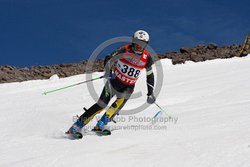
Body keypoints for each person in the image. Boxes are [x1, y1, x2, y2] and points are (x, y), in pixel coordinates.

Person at [66, 30, 156, 136]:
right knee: (101, 105)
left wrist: (150, 93)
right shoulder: (124, 49)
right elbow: (109, 58)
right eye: (137, 43)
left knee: (116, 106)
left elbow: (150, 76)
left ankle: (101, 124)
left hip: (128, 87)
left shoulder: (147, 58)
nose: (138, 46)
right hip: (113, 82)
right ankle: (77, 125)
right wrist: (108, 72)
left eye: (142, 44)